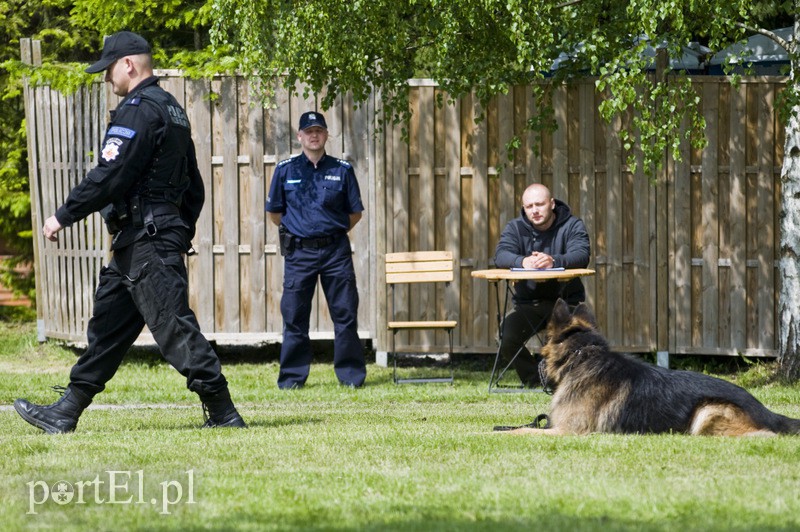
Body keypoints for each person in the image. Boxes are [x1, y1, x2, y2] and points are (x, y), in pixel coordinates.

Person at [13, 31, 246, 433]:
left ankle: (224, 412)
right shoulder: (172, 109)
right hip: (141, 239)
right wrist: (178, 228)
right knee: (107, 327)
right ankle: (66, 412)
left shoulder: (138, 110)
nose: (106, 80)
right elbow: (194, 185)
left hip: (146, 239)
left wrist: (63, 215)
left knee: (173, 324)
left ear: (129, 65)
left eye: (108, 70)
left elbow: (111, 175)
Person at [266, 111, 366, 389]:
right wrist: (301, 232)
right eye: (308, 131)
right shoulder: (286, 170)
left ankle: (351, 377)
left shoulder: (342, 170)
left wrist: (329, 231)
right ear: (299, 136)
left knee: (345, 315)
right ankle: (292, 379)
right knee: (295, 317)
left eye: (319, 130)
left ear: (326, 135)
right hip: (300, 254)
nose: (314, 135)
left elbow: (355, 213)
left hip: (336, 252)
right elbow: (275, 213)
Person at [493, 183, 591, 387]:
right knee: (505, 337)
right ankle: (536, 380)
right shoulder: (515, 228)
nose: (535, 210)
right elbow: (501, 255)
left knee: (571, 341)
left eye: (540, 204)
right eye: (529, 206)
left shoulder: (572, 225)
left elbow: (581, 255)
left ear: (552, 204)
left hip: (566, 303)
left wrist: (553, 261)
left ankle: (566, 382)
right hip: (528, 304)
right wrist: (523, 262)